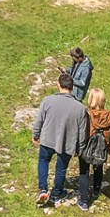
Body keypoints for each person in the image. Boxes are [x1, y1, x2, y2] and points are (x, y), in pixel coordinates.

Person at [32, 73, 89, 206]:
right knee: (61, 168)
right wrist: (80, 148)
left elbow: (39, 120)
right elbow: (82, 132)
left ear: (58, 85)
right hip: (67, 143)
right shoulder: (80, 108)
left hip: (47, 139)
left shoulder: (47, 100)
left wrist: (36, 134)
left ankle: (43, 189)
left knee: (43, 161)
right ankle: (57, 193)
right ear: (72, 87)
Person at [78, 88, 110, 210]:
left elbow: (81, 131)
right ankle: (96, 190)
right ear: (103, 100)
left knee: (83, 172)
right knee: (98, 168)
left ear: (90, 99)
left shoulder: (85, 114)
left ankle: (84, 200)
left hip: (86, 146)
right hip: (101, 147)